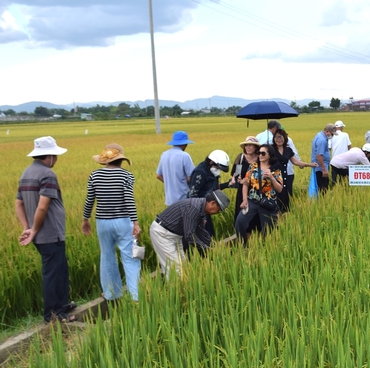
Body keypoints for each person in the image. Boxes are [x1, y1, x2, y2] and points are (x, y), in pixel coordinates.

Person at [15, 136, 75, 323]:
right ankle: (53, 315)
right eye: (55, 155)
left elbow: (18, 204)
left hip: (41, 233)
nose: (56, 159)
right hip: (50, 233)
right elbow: (43, 206)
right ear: (48, 156)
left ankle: (62, 305)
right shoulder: (47, 174)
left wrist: (27, 227)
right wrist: (33, 230)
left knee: (60, 269)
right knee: (53, 272)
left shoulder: (26, 173)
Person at [82, 143, 141, 302]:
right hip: (123, 221)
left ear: (105, 161)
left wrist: (85, 219)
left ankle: (111, 294)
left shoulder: (94, 175)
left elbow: (90, 200)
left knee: (107, 256)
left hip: (102, 222)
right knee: (130, 257)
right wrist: (135, 222)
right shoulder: (126, 176)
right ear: (121, 160)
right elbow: (129, 200)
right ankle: (135, 296)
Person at [150, 190, 229, 278]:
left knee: (183, 266)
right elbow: (189, 236)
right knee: (175, 269)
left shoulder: (201, 210)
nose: (219, 212)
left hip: (175, 235)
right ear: (212, 203)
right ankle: (175, 290)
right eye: (220, 209)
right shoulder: (194, 208)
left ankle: (182, 289)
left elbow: (201, 231)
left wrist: (212, 246)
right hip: (163, 234)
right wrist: (207, 248)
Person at [235, 144, 283, 246]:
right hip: (252, 200)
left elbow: (279, 189)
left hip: (267, 202)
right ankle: (243, 245)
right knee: (240, 222)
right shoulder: (253, 167)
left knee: (268, 230)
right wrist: (244, 200)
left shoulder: (275, 170)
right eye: (259, 153)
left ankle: (266, 249)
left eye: (263, 153)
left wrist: (271, 177)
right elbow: (246, 183)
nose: (260, 155)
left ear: (269, 155)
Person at [187, 150, 231, 238]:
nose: (218, 170)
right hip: (199, 209)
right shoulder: (200, 173)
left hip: (206, 208)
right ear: (211, 162)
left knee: (210, 234)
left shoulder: (211, 171)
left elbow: (214, 189)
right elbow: (192, 195)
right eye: (218, 167)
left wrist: (228, 184)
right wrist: (199, 217)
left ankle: (210, 250)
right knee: (205, 235)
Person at [272, 129, 316, 212]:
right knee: (276, 197)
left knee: (286, 196)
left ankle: (285, 216)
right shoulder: (270, 149)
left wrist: (309, 164)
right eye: (277, 137)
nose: (279, 139)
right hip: (274, 178)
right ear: (274, 138)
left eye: (281, 137)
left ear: (285, 138)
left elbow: (295, 161)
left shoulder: (288, 150)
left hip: (285, 177)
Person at [156, 131, 196, 206]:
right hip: (184, 199)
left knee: (173, 217)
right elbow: (191, 177)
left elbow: (158, 175)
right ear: (185, 144)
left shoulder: (164, 154)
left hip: (169, 200)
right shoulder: (185, 156)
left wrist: (171, 182)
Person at [231, 136, 261, 225]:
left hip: (256, 189)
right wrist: (239, 180)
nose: (248, 147)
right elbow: (236, 174)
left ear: (256, 147)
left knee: (256, 214)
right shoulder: (241, 158)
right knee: (243, 212)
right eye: (246, 145)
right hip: (242, 189)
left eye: (250, 145)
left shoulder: (261, 158)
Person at [311, 124, 335, 192]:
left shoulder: (319, 135)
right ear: (327, 131)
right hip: (320, 168)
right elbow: (319, 155)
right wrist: (324, 169)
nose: (332, 136)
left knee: (323, 186)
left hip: (320, 166)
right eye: (332, 134)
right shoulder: (322, 140)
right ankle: (322, 201)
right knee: (323, 188)